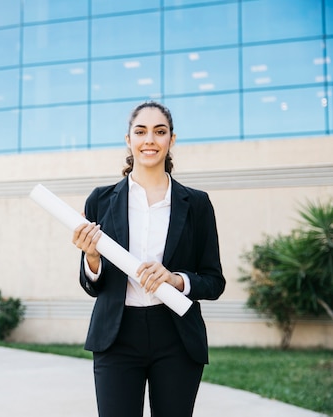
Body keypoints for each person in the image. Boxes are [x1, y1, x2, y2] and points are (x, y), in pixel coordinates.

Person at [72, 101, 226, 417]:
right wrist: (91, 256)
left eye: (159, 132)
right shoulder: (101, 199)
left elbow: (213, 281)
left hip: (176, 336)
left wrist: (175, 279)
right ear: (129, 139)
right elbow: (91, 285)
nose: (150, 140)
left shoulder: (196, 204)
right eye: (140, 132)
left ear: (172, 139)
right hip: (116, 335)